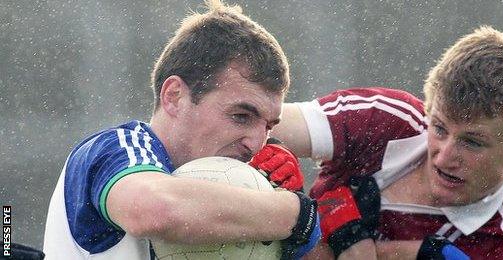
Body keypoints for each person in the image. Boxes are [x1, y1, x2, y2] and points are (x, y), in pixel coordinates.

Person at [42, 1, 320, 259]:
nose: (257, 144)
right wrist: (295, 214)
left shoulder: (238, 200)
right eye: (241, 116)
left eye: (269, 126)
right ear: (174, 96)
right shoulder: (117, 146)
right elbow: (154, 210)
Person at [272, 26, 503, 259]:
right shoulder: (389, 120)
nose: (444, 157)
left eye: (472, 142)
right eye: (440, 128)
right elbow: (254, 124)